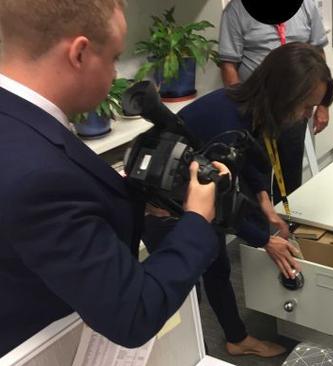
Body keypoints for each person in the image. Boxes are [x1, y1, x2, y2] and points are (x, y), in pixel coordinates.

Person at [0, 0, 229, 356]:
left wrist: (137, 199)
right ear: (79, 53)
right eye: (112, 59)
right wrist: (199, 218)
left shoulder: (18, 120)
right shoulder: (37, 176)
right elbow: (133, 313)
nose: (114, 76)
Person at [144, 42, 333, 358]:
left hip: (197, 196)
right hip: (164, 206)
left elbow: (245, 158)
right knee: (186, 294)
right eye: (305, 106)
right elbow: (220, 203)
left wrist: (263, 200)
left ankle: (236, 338)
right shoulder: (226, 117)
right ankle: (190, 357)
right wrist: (265, 239)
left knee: (216, 266)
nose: (306, 115)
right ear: (284, 93)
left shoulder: (252, 111)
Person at [218, 0, 329, 204]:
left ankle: (288, 225)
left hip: (295, 108)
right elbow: (228, 65)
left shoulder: (307, 6)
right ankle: (259, 232)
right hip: (257, 111)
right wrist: (239, 112)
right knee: (254, 178)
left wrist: (323, 104)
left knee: (290, 177)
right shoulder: (236, 10)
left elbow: (318, 56)